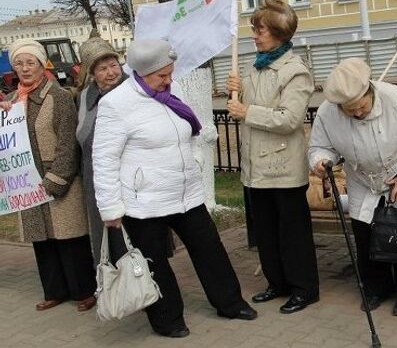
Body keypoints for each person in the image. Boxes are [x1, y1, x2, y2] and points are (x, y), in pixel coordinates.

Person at [92, 39, 257, 338]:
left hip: (186, 193)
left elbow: (189, 130)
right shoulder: (115, 105)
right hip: (145, 200)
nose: (169, 80)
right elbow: (103, 161)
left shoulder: (172, 90)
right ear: (142, 73)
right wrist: (111, 209)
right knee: (154, 260)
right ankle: (167, 319)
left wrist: (194, 159)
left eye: (170, 73)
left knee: (210, 249)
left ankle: (230, 303)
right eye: (161, 76)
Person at [309, 58, 397, 316]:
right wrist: (321, 161)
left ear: (370, 92)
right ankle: (376, 287)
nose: (357, 113)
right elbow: (319, 145)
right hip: (362, 179)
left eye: (361, 107)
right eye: (349, 110)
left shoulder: (396, 99)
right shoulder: (327, 112)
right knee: (365, 233)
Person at [226, 0, 320, 314]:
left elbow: (288, 119)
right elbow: (249, 106)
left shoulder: (295, 72)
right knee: (265, 233)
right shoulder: (257, 65)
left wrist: (246, 109)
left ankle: (304, 288)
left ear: (278, 33)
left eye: (260, 29)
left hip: (282, 167)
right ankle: (277, 283)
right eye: (254, 29)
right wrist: (236, 90)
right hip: (255, 168)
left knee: (291, 234)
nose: (254, 35)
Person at [1, 39, 96, 312]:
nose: (25, 68)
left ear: (43, 65)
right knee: (41, 239)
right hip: (26, 181)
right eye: (19, 63)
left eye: (31, 62)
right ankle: (54, 290)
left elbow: (68, 141)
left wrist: (57, 178)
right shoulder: (9, 102)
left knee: (70, 237)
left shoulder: (59, 96)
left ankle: (84, 290)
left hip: (57, 177)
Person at [76, 37, 129, 266]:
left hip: (126, 172)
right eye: (102, 68)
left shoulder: (133, 89)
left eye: (113, 65)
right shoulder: (85, 95)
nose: (110, 72)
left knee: (131, 236)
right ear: (91, 73)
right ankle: (111, 285)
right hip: (94, 175)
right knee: (103, 236)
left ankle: (141, 288)